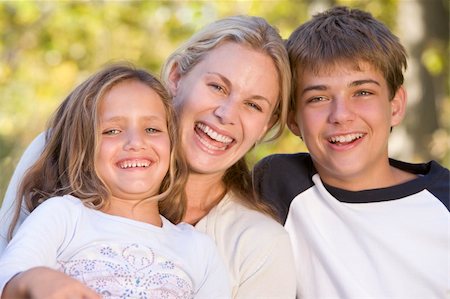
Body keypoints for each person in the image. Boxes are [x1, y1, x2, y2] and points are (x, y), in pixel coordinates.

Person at [0, 16, 296, 298]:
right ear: (177, 77)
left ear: (266, 126)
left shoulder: (244, 246)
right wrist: (34, 280)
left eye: (253, 105)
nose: (227, 114)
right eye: (217, 87)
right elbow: (11, 270)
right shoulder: (59, 168)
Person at [254, 6, 450, 299]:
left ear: (395, 106)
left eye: (362, 92)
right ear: (293, 118)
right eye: (318, 98)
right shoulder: (279, 185)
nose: (341, 115)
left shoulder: (443, 203)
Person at [0, 64, 230, 299]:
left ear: (172, 146)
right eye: (112, 131)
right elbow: (7, 277)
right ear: (83, 148)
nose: (135, 142)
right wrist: (35, 279)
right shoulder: (64, 216)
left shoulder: (198, 250)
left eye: (152, 129)